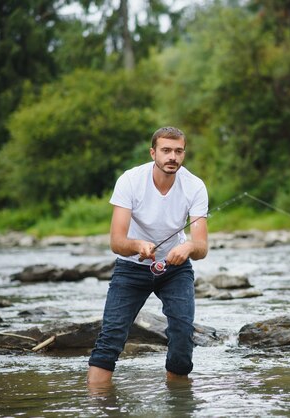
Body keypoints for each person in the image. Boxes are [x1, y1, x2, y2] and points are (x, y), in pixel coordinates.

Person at [87, 126, 208, 385]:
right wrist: (138, 245)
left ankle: (179, 404)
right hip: (131, 268)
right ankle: (96, 404)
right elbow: (117, 242)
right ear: (153, 152)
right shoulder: (130, 180)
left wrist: (186, 248)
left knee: (182, 335)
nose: (172, 157)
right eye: (166, 150)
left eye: (178, 151)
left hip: (176, 270)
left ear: (183, 154)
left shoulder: (195, 186)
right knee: (111, 336)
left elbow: (201, 247)